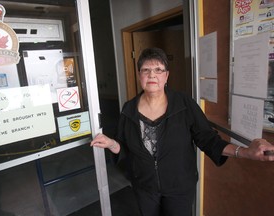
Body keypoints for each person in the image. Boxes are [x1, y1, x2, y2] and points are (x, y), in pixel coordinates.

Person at [90, 47, 274, 216]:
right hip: (144, 187)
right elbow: (124, 147)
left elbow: (207, 139)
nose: (152, 75)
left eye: (158, 70)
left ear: (166, 75)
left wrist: (245, 152)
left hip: (179, 187)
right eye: (146, 70)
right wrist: (112, 144)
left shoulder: (184, 104)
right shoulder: (129, 109)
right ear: (139, 75)